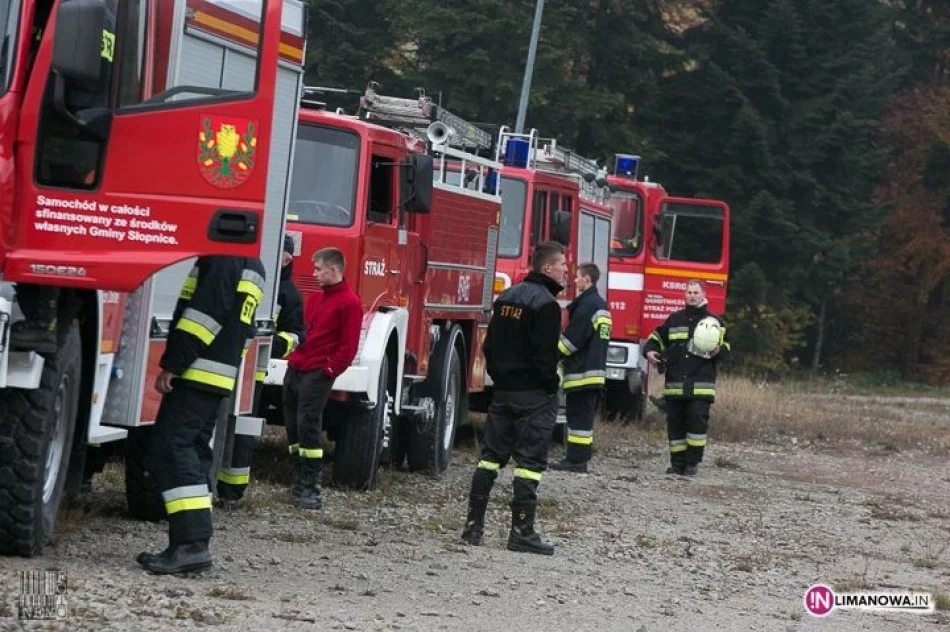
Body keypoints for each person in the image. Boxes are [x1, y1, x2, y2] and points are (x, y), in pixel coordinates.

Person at [136, 255, 266, 574]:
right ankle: (188, 543)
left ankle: (191, 545)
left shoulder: (224, 260)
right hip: (217, 373)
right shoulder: (254, 264)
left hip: (197, 370)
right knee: (192, 450)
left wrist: (175, 362)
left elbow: (203, 316)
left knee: (173, 447)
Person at [461, 241, 567, 555]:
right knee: (529, 465)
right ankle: (522, 532)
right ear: (547, 267)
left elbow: (489, 345)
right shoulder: (547, 304)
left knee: (489, 458)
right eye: (562, 264)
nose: (566, 270)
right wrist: (550, 386)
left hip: (504, 392)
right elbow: (545, 357)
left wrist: (500, 377)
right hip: (534, 395)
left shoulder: (506, 297)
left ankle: (473, 527)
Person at [216, 235, 305, 508]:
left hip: (252, 371)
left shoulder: (289, 294)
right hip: (224, 360)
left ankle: (231, 491)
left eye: (284, 256)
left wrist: (277, 343)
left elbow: (297, 334)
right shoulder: (248, 275)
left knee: (241, 432)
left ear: (288, 259)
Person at [284, 247, 362, 509]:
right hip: (297, 369)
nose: (314, 273)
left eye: (318, 269)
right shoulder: (317, 299)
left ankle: (311, 487)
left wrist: (327, 372)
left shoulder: (349, 303)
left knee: (308, 427)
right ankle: (298, 479)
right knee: (293, 427)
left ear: (333, 269)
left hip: (316, 374)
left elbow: (348, 348)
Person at [642, 280, 729, 476]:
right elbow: (656, 338)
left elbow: (727, 348)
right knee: (675, 425)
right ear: (685, 295)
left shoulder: (714, 321)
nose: (692, 296)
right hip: (675, 384)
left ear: (703, 294)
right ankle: (677, 464)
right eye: (689, 292)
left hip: (700, 385)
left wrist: (719, 350)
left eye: (696, 292)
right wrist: (649, 351)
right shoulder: (674, 319)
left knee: (696, 422)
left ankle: (692, 463)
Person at [550, 263, 611, 473]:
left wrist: (552, 354)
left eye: (578, 277)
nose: (575, 280)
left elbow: (571, 342)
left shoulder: (587, 306)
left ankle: (576, 461)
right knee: (583, 420)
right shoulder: (600, 304)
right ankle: (578, 459)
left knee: (578, 419)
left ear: (587, 279)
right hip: (593, 372)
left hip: (582, 373)